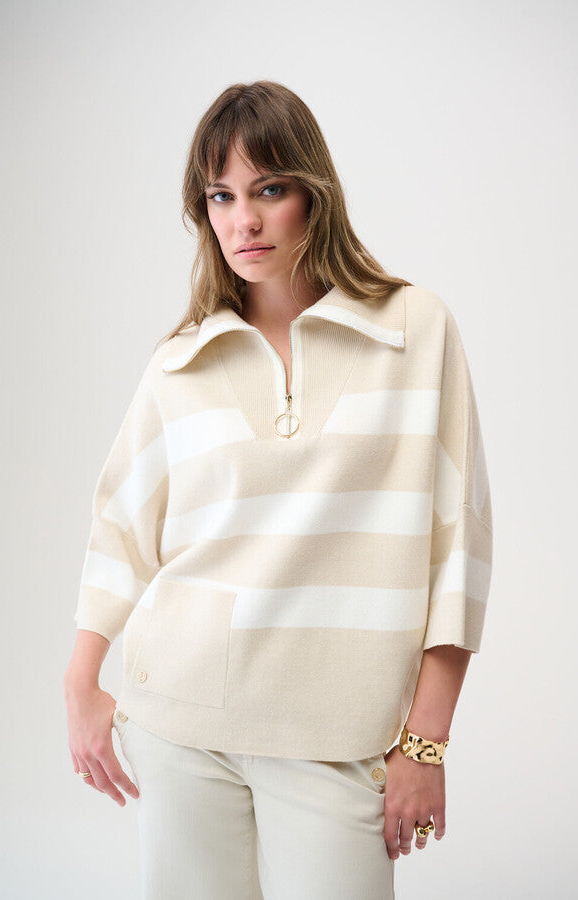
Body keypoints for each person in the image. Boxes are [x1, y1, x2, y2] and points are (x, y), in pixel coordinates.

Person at [63, 80, 493, 899]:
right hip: (179, 725)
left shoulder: (415, 331)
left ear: (313, 195)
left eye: (269, 190)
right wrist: (79, 683)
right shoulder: (181, 361)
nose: (244, 222)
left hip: (337, 736)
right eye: (220, 196)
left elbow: (460, 550)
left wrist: (425, 744)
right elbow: (119, 527)